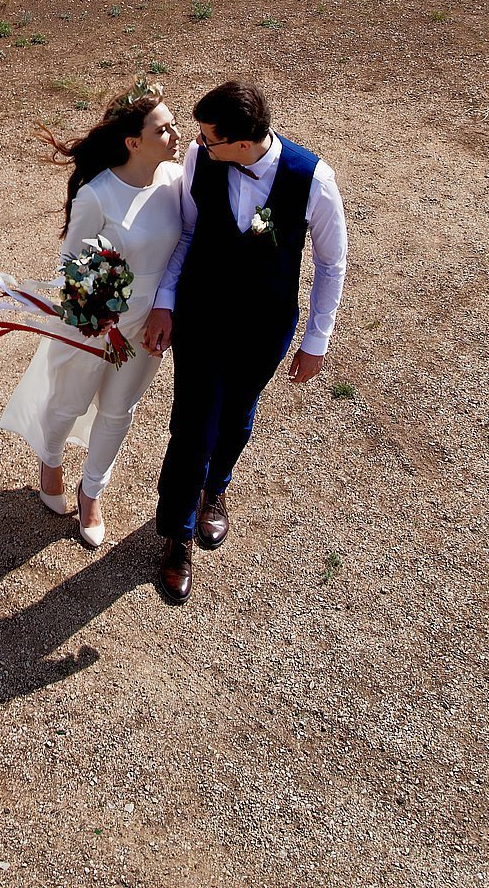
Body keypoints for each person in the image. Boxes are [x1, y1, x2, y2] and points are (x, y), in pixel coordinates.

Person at [140, 80, 346, 606]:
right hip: (201, 315)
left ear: (244, 142)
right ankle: (178, 534)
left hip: (263, 326)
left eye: (211, 139)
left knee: (238, 417)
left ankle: (217, 490)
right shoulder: (199, 158)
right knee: (190, 425)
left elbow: (330, 264)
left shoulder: (312, 180)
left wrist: (316, 338)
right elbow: (189, 232)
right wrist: (164, 301)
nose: (200, 144)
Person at [0, 88, 184, 548]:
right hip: (94, 321)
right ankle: (52, 460)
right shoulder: (97, 196)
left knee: (120, 410)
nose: (176, 134)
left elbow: (185, 245)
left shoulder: (178, 181)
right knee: (70, 403)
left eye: (173, 123)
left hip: (149, 325)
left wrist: (167, 307)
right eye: (162, 129)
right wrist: (100, 315)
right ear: (132, 142)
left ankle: (91, 492)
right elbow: (72, 264)